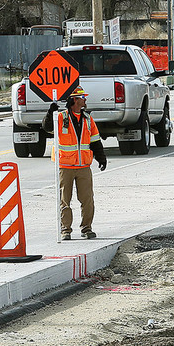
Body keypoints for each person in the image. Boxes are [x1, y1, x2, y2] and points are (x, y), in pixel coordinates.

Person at [42, 86, 107, 239]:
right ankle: (66, 230)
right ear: (74, 100)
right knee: (65, 200)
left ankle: (86, 229)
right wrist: (50, 112)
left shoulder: (88, 119)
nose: (85, 99)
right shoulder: (61, 117)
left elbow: (95, 141)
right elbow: (47, 127)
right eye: (82, 97)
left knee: (87, 200)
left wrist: (101, 158)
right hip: (65, 167)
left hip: (84, 167)